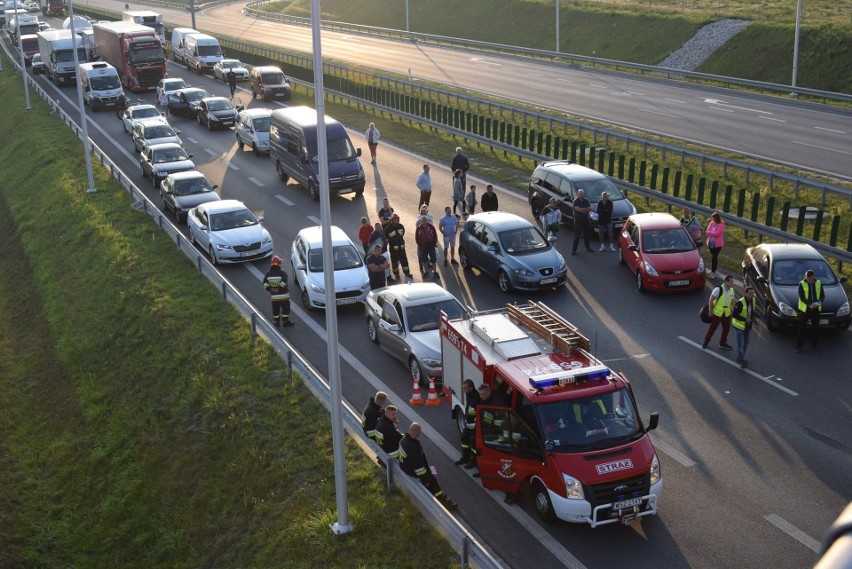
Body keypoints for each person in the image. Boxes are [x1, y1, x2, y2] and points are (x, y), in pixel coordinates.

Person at [400, 423, 458, 512]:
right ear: (419, 433)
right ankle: (444, 503)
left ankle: (441, 497)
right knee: (434, 482)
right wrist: (428, 479)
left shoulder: (403, 440)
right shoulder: (413, 447)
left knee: (433, 471)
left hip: (410, 468)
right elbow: (419, 469)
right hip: (417, 472)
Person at [467, 383, 506, 476]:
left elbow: (502, 423)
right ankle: (483, 472)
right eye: (480, 394)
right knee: (483, 455)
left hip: (495, 435)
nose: (480, 396)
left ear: (488, 392)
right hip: (484, 433)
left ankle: (492, 474)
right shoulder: (480, 402)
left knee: (493, 457)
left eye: (482, 394)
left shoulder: (497, 404)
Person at [703, 274, 735, 350]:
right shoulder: (718, 289)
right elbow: (711, 300)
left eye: (733, 282)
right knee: (712, 328)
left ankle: (722, 343)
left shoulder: (731, 290)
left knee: (726, 329)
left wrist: (733, 311)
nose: (732, 283)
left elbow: (732, 301)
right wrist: (710, 311)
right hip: (717, 313)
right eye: (731, 282)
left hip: (726, 313)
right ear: (726, 281)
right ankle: (706, 341)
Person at [795, 269, 824, 353]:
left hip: (816, 309)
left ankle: (814, 345)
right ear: (806, 277)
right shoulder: (801, 284)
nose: (810, 280)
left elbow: (822, 295)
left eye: (811, 279)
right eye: (808, 279)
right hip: (805, 310)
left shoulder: (819, 283)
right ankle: (798, 346)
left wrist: (819, 302)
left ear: (814, 277)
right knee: (801, 328)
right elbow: (802, 297)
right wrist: (810, 304)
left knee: (815, 328)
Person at [454, 379, 480, 467]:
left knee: (474, 446)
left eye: (465, 388)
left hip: (474, 426)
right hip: (469, 424)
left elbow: (475, 413)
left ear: (471, 388)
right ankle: (465, 458)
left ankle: (474, 462)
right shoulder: (469, 395)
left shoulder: (476, 398)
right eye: (463, 388)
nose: (463, 390)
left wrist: (468, 418)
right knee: (464, 440)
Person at [262, 255, 293, 327]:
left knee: (275, 310)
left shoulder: (268, 274)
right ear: (279, 264)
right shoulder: (283, 273)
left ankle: (276, 322)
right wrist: (278, 288)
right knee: (286, 309)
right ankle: (285, 322)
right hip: (284, 297)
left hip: (274, 297)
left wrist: (270, 289)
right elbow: (284, 283)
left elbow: (265, 284)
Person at [732, 286, 756, 368]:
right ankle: (742, 360)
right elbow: (734, 315)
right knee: (741, 344)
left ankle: (740, 357)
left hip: (747, 326)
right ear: (745, 293)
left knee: (746, 343)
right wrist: (745, 319)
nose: (753, 295)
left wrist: (755, 315)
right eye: (750, 293)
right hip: (739, 326)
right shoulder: (740, 303)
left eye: (753, 293)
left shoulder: (753, 300)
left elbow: (752, 311)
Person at [384, 213, 412, 282]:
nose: (396, 220)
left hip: (401, 248)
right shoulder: (388, 229)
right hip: (393, 250)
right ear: (392, 220)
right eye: (395, 219)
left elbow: (402, 234)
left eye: (397, 219)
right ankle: (396, 274)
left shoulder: (401, 226)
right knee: (394, 262)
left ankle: (407, 273)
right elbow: (386, 238)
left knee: (404, 261)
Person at [415, 214, 439, 279]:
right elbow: (417, 238)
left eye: (425, 220)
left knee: (433, 259)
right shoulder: (418, 228)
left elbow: (435, 236)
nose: (424, 221)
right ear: (421, 221)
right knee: (424, 260)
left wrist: (434, 243)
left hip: (431, 246)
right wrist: (420, 245)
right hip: (423, 247)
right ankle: (426, 272)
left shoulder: (431, 227)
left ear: (427, 220)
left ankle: (435, 272)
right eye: (423, 220)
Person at [571, 188, 593, 255]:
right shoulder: (575, 201)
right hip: (578, 220)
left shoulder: (586, 200)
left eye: (582, 194)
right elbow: (578, 209)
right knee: (577, 236)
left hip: (585, 219)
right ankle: (574, 250)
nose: (581, 195)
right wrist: (585, 209)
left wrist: (582, 210)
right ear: (578, 194)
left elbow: (590, 208)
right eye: (580, 193)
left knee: (587, 234)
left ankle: (588, 247)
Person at [706, 212, 726, 280]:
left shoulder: (721, 225)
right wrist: (712, 233)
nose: (713, 219)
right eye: (712, 218)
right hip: (710, 243)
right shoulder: (711, 223)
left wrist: (710, 233)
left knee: (714, 256)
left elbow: (717, 233)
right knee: (714, 257)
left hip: (718, 244)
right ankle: (715, 270)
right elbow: (707, 231)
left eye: (714, 218)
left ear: (717, 218)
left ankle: (712, 272)